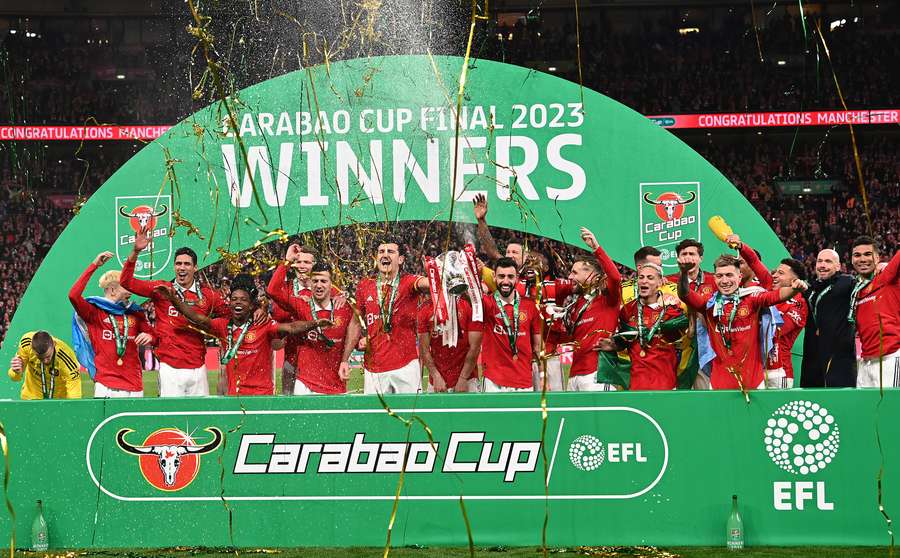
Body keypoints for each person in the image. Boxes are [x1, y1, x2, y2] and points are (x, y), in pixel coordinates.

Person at [158, 275, 329, 396]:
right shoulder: (222, 326)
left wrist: (316, 323)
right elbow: (196, 317)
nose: (238, 302)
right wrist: (174, 299)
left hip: (261, 397)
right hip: (236, 397)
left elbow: (291, 328)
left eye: (243, 300)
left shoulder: (263, 325)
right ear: (229, 302)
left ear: (251, 305)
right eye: (234, 299)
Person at [119, 228, 229, 397]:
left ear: (195, 267)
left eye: (186, 264)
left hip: (198, 367)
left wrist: (258, 309)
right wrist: (135, 251)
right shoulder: (162, 289)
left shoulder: (208, 296)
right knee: (170, 419)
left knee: (200, 417)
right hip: (169, 368)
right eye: (178, 264)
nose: (182, 268)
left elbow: (230, 316)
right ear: (174, 267)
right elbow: (126, 282)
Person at [678, 254, 807, 390]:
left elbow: (777, 296)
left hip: (754, 382)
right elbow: (685, 294)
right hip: (719, 382)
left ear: (739, 277)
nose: (724, 280)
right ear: (714, 278)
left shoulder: (752, 298)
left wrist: (795, 289)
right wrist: (683, 273)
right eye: (719, 276)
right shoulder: (709, 303)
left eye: (729, 275)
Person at [69, 252, 156, 398]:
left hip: (133, 384)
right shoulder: (94, 312)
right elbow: (73, 295)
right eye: (126, 286)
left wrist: (149, 336)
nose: (131, 289)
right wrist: (94, 265)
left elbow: (154, 336)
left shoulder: (135, 312)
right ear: (112, 289)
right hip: (106, 384)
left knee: (133, 422)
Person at [352, 238, 430, 394]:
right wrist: (354, 345)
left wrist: (434, 273)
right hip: (374, 367)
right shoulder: (364, 285)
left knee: (411, 415)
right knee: (375, 417)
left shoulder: (409, 282)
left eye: (391, 251)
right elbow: (355, 321)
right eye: (381, 252)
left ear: (400, 259)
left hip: (406, 365)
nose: (385, 255)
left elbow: (427, 284)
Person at [267, 261, 358, 395]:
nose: (319, 285)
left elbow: (355, 329)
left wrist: (345, 360)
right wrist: (286, 262)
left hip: (335, 384)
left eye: (323, 281)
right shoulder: (300, 305)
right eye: (315, 281)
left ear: (331, 284)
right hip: (304, 383)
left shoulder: (345, 308)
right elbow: (272, 290)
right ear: (309, 282)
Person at [603, 262, 686, 390]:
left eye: (650, 278)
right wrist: (614, 345)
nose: (644, 281)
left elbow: (682, 337)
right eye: (641, 277)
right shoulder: (627, 310)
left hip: (665, 383)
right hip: (637, 383)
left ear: (660, 283)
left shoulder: (671, 310)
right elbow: (625, 341)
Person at [562, 227, 623, 391]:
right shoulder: (577, 304)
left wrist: (596, 248)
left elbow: (616, 278)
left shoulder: (608, 299)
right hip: (574, 374)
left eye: (574, 273)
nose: (570, 277)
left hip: (597, 373)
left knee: (600, 417)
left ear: (593, 276)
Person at [480, 257, 543, 392]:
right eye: (501, 276)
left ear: (517, 278)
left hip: (523, 381)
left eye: (510, 276)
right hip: (493, 381)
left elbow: (538, 346)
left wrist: (543, 377)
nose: (506, 281)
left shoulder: (530, 306)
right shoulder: (486, 304)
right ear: (494, 277)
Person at [800, 248, 857, 387]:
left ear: (838, 266)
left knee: (840, 402)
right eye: (819, 261)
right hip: (813, 355)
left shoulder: (847, 282)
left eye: (828, 261)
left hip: (839, 356)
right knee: (813, 401)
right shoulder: (810, 288)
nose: (822, 265)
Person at [848, 237, 900, 388]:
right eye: (857, 255)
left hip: (890, 358)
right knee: (865, 410)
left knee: (891, 409)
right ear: (851, 260)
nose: (862, 259)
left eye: (868, 254)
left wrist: (887, 264)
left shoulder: (888, 277)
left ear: (877, 257)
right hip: (865, 362)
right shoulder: (855, 291)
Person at [418, 294, 483, 392]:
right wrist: (436, 376)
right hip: (437, 381)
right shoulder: (425, 309)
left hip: (468, 380)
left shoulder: (469, 305)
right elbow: (424, 349)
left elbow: (475, 347)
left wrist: (463, 378)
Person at [764, 258, 809, 389]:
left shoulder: (799, 304)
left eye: (781, 273)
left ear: (794, 280)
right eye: (775, 272)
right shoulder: (769, 295)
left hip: (780, 372)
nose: (775, 275)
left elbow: (777, 330)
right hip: (758, 369)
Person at [7, 331, 81, 399]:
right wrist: (16, 372)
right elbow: (15, 378)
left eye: (48, 356)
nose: (45, 361)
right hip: (31, 397)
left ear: (54, 344)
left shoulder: (66, 357)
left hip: (58, 401)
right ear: (32, 349)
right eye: (40, 358)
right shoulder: (26, 344)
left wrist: (71, 407)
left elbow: (74, 387)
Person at [472, 193, 525, 267]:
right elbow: (493, 253)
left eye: (514, 252)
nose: (510, 255)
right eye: (508, 252)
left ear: (525, 257)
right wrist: (481, 220)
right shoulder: (505, 269)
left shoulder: (534, 274)